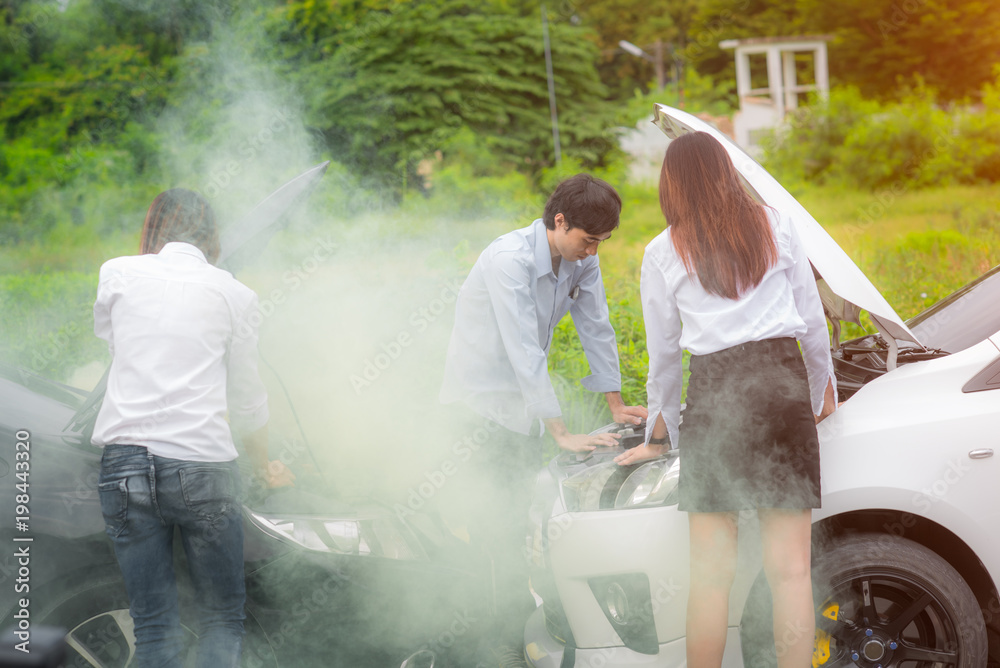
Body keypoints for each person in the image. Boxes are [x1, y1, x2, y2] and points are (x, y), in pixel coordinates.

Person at [616, 132, 836, 668]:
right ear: (726, 173)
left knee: (711, 578)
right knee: (790, 571)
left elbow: (664, 356)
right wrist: (818, 396)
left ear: (672, 186)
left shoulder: (662, 250)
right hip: (782, 390)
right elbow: (811, 324)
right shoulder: (776, 223)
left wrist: (656, 436)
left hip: (716, 395)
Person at [440, 173, 647, 665]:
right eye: (589, 239)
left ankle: (518, 629)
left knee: (519, 522)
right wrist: (561, 432)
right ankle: (486, 642)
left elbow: (597, 325)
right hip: (478, 409)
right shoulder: (507, 260)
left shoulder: (579, 262)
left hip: (521, 411)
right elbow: (523, 351)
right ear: (559, 221)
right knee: (490, 525)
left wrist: (616, 405)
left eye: (603, 242)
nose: (594, 251)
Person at [92, 188, 293, 668]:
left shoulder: (116, 272)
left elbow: (115, 345)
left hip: (123, 464)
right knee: (222, 619)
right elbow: (246, 397)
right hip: (202, 466)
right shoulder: (235, 293)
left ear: (154, 226)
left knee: (154, 630)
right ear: (211, 236)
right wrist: (265, 466)